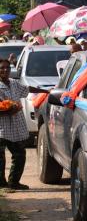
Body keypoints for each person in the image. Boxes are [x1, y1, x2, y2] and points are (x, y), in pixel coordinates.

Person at [0, 59, 49, 189]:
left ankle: (14, 182)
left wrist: (46, 92)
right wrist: (9, 110)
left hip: (15, 127)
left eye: (7, 68)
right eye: (2, 68)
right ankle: (1, 183)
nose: (5, 70)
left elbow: (27, 89)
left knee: (20, 155)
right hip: (2, 128)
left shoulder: (14, 83)